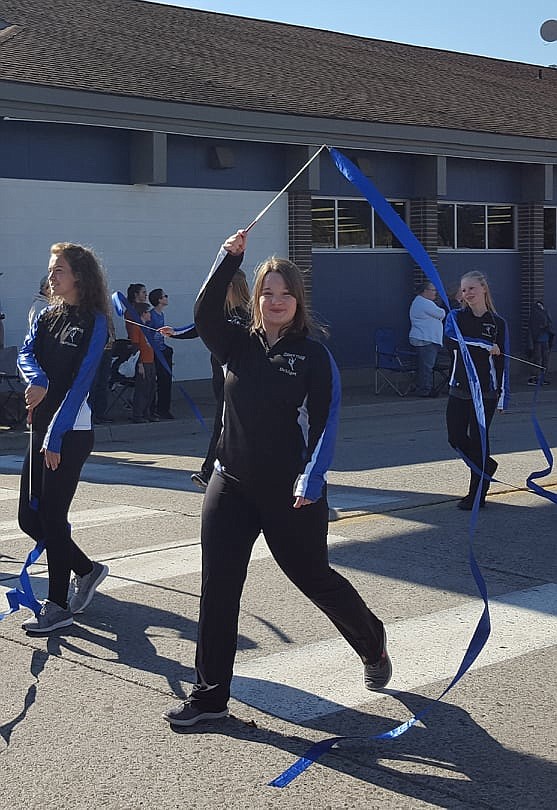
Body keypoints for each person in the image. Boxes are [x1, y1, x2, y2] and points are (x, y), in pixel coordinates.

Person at [163, 230, 391, 728]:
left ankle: (372, 641)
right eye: (267, 293)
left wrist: (312, 479)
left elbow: (327, 421)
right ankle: (209, 695)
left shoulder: (313, 356)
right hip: (231, 485)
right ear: (257, 300)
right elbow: (202, 315)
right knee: (218, 588)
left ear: (297, 301)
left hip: (292, 493)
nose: (276, 301)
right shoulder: (235, 344)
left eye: (285, 293)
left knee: (313, 578)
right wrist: (228, 258)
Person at [17, 243, 111, 633]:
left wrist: (55, 435)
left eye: (59, 270)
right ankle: (86, 570)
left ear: (78, 277)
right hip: (40, 430)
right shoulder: (48, 316)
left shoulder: (96, 321)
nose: (52, 277)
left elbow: (82, 382)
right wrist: (36, 379)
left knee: (53, 517)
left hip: (70, 433)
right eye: (52, 270)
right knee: (29, 519)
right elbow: (26, 353)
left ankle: (57, 606)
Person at [162, 271, 251, 489]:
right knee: (229, 425)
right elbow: (200, 327)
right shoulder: (221, 312)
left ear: (233, 288)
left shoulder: (250, 315)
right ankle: (230, 468)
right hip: (219, 376)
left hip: (239, 378)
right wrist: (176, 333)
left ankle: (208, 471)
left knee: (222, 425)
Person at [445, 270, 509, 511]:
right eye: (463, 290)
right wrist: (484, 345)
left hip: (486, 392)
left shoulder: (497, 323)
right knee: (456, 438)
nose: (467, 293)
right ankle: (487, 467)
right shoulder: (455, 318)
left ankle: (476, 494)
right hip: (459, 388)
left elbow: (503, 362)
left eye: (471, 288)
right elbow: (451, 341)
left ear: (483, 289)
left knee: (479, 442)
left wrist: (503, 396)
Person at [409, 281, 446, 397]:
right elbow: (441, 313)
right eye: (433, 290)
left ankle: (423, 387)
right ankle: (425, 389)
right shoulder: (424, 303)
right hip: (426, 339)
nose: (435, 293)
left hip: (426, 338)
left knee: (425, 365)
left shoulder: (421, 302)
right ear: (425, 291)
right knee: (427, 366)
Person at [127, 302, 157, 423]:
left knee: (151, 388)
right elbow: (136, 346)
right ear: (143, 313)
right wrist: (139, 364)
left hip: (150, 360)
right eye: (148, 312)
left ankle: (147, 412)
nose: (150, 314)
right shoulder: (136, 327)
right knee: (142, 389)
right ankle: (138, 414)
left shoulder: (147, 327)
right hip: (143, 362)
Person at [148, 288, 174, 419]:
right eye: (165, 296)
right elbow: (149, 335)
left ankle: (164, 408)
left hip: (163, 350)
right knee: (156, 381)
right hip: (155, 352)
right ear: (159, 299)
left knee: (166, 381)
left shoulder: (161, 314)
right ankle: (153, 409)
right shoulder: (152, 315)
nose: (166, 298)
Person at [527, 300, 553, 386]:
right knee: (537, 359)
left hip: (545, 339)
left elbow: (549, 323)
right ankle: (536, 377)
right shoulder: (535, 314)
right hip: (538, 340)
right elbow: (533, 328)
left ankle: (542, 377)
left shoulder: (545, 312)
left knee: (545, 359)